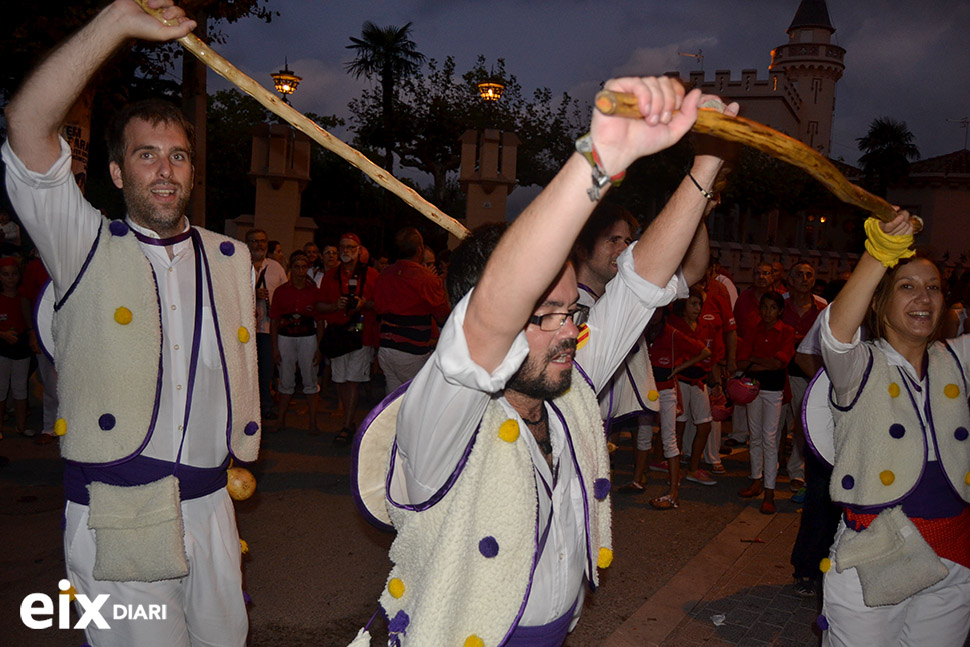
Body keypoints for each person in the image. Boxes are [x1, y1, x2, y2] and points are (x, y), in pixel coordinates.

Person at [353, 76, 736, 645]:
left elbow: (640, 283)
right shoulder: (440, 414)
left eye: (572, 311)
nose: (568, 332)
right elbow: (491, 316)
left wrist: (706, 165)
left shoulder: (566, 384)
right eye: (544, 315)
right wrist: (600, 159)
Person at [2, 2, 260, 645]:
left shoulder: (233, 258)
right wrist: (116, 20)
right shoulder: (80, 246)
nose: (165, 170)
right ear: (117, 172)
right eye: (147, 156)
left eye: (177, 156)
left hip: (212, 508)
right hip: (114, 511)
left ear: (193, 171)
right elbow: (27, 124)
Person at [817, 213, 970, 646]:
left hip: (955, 556)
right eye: (907, 286)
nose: (924, 297)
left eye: (934, 287)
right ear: (880, 302)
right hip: (875, 553)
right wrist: (878, 254)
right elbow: (835, 334)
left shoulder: (957, 359)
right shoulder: (858, 365)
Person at [571, 202, 660, 488]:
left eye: (627, 241)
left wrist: (699, 211)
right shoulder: (563, 309)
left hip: (596, 441)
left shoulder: (613, 304)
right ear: (582, 249)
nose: (623, 249)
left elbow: (693, 270)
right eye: (612, 240)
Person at [736, 291, 796, 514]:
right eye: (764, 307)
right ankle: (756, 480)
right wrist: (763, 363)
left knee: (770, 439)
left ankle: (770, 490)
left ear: (780, 310)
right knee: (756, 436)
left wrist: (755, 361)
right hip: (753, 388)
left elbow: (779, 363)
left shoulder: (787, 332)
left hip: (773, 390)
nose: (767, 312)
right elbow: (741, 361)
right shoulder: (754, 329)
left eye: (772, 308)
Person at [373, 227, 450, 395]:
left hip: (386, 348)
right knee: (418, 400)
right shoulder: (426, 278)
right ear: (420, 249)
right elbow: (443, 315)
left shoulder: (385, 273)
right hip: (410, 351)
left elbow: (377, 307)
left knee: (393, 401)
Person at [319, 232, 379, 443]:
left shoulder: (372, 275)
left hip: (362, 334)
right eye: (342, 247)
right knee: (341, 379)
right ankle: (349, 419)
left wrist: (365, 303)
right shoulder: (331, 276)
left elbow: (380, 304)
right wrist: (335, 306)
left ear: (359, 250)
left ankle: (346, 425)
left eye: (351, 247)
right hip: (338, 334)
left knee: (353, 380)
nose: (346, 251)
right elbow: (319, 306)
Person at [780, 261, 827, 494]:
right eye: (799, 274)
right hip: (779, 372)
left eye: (809, 275)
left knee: (801, 425)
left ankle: (796, 471)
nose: (804, 279)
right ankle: (772, 465)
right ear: (789, 279)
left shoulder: (822, 308)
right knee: (777, 424)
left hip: (806, 374)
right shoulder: (780, 304)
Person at [270, 251, 323, 434]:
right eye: (296, 267)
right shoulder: (281, 291)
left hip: (308, 337)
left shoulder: (314, 291)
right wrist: (275, 347)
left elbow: (320, 321)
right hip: (286, 337)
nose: (300, 271)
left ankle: (313, 422)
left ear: (307, 268)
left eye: (303, 267)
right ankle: (280, 420)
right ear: (291, 268)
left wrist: (319, 347)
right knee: (285, 378)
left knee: (310, 378)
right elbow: (274, 321)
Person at [247, 228, 287, 422]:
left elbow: (285, 296)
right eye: (254, 241)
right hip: (245, 330)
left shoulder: (276, 268)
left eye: (262, 241)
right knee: (246, 371)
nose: (259, 245)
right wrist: (254, 293)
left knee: (266, 370)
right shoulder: (239, 265)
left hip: (268, 329)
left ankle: (266, 407)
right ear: (247, 243)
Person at [0, 258, 33, 439]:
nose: (10, 278)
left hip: (21, 348)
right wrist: (3, 334)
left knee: (20, 388)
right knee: (1, 388)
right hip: (2, 349)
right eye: (5, 274)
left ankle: (21, 426)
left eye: (14, 274)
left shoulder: (23, 297)